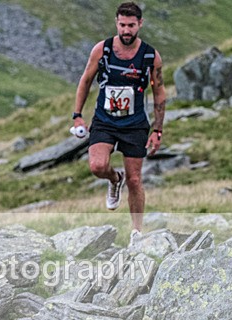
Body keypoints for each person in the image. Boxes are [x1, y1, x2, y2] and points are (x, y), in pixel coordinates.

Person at [72, 1, 166, 244]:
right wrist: (77, 114)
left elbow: (159, 92)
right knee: (97, 166)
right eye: (122, 25)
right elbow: (85, 81)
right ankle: (115, 180)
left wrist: (157, 129)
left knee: (135, 179)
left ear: (140, 24)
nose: (126, 30)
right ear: (116, 23)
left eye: (131, 26)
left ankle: (137, 232)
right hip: (104, 120)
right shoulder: (101, 50)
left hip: (135, 124)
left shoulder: (150, 56)